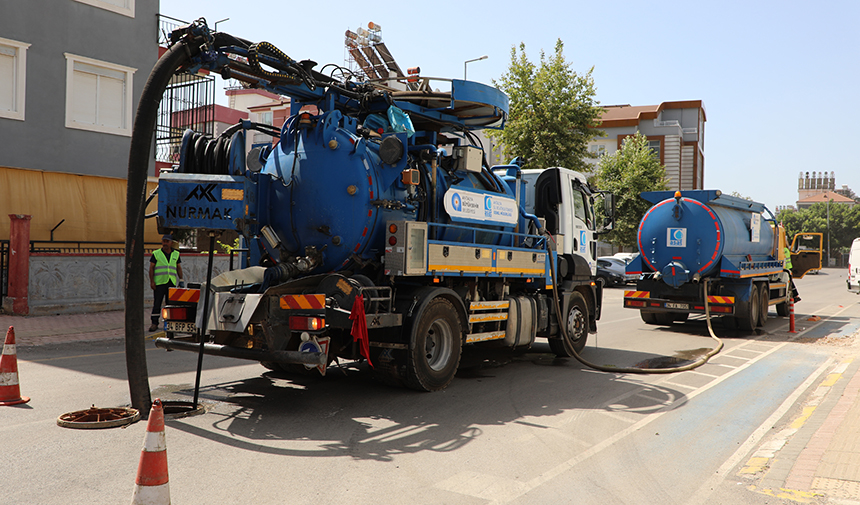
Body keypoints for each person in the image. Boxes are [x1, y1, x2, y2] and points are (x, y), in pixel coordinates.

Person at [149, 234, 183, 332]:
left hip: (171, 282)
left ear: (171, 243)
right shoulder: (156, 253)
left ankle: (169, 323)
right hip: (159, 283)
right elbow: (151, 268)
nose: (165, 243)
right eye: (164, 241)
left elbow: (178, 267)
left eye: (167, 241)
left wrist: (181, 280)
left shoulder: (176, 254)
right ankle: (154, 323)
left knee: (170, 304)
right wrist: (152, 281)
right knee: (157, 303)